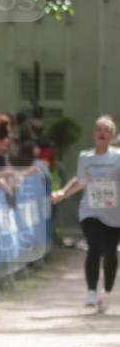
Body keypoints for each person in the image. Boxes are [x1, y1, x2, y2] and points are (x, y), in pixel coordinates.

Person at [52, 115, 120, 311]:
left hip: (115, 213)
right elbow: (81, 180)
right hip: (90, 210)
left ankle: (106, 292)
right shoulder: (85, 157)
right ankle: (91, 291)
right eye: (99, 129)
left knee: (110, 253)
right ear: (94, 134)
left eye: (107, 130)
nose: (102, 132)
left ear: (112, 136)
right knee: (95, 246)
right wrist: (63, 193)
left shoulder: (117, 157)